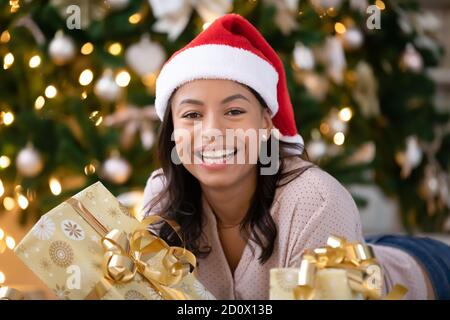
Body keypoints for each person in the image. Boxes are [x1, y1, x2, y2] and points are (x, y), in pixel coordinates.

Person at [142, 13, 449, 300]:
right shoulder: (163, 194)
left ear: (265, 123)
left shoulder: (316, 201)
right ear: (172, 130)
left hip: (429, 273)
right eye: (192, 114)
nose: (212, 132)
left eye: (234, 111)